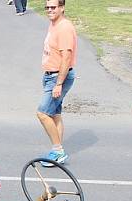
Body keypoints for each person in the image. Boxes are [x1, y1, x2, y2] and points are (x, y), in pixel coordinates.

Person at [37, 0, 77, 164]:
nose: (49, 10)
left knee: (43, 113)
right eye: (47, 7)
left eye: (53, 7)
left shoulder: (64, 27)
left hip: (58, 77)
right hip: (51, 76)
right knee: (55, 115)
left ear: (62, 8)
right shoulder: (54, 24)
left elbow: (66, 57)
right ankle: (57, 152)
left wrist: (59, 83)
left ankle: (58, 151)